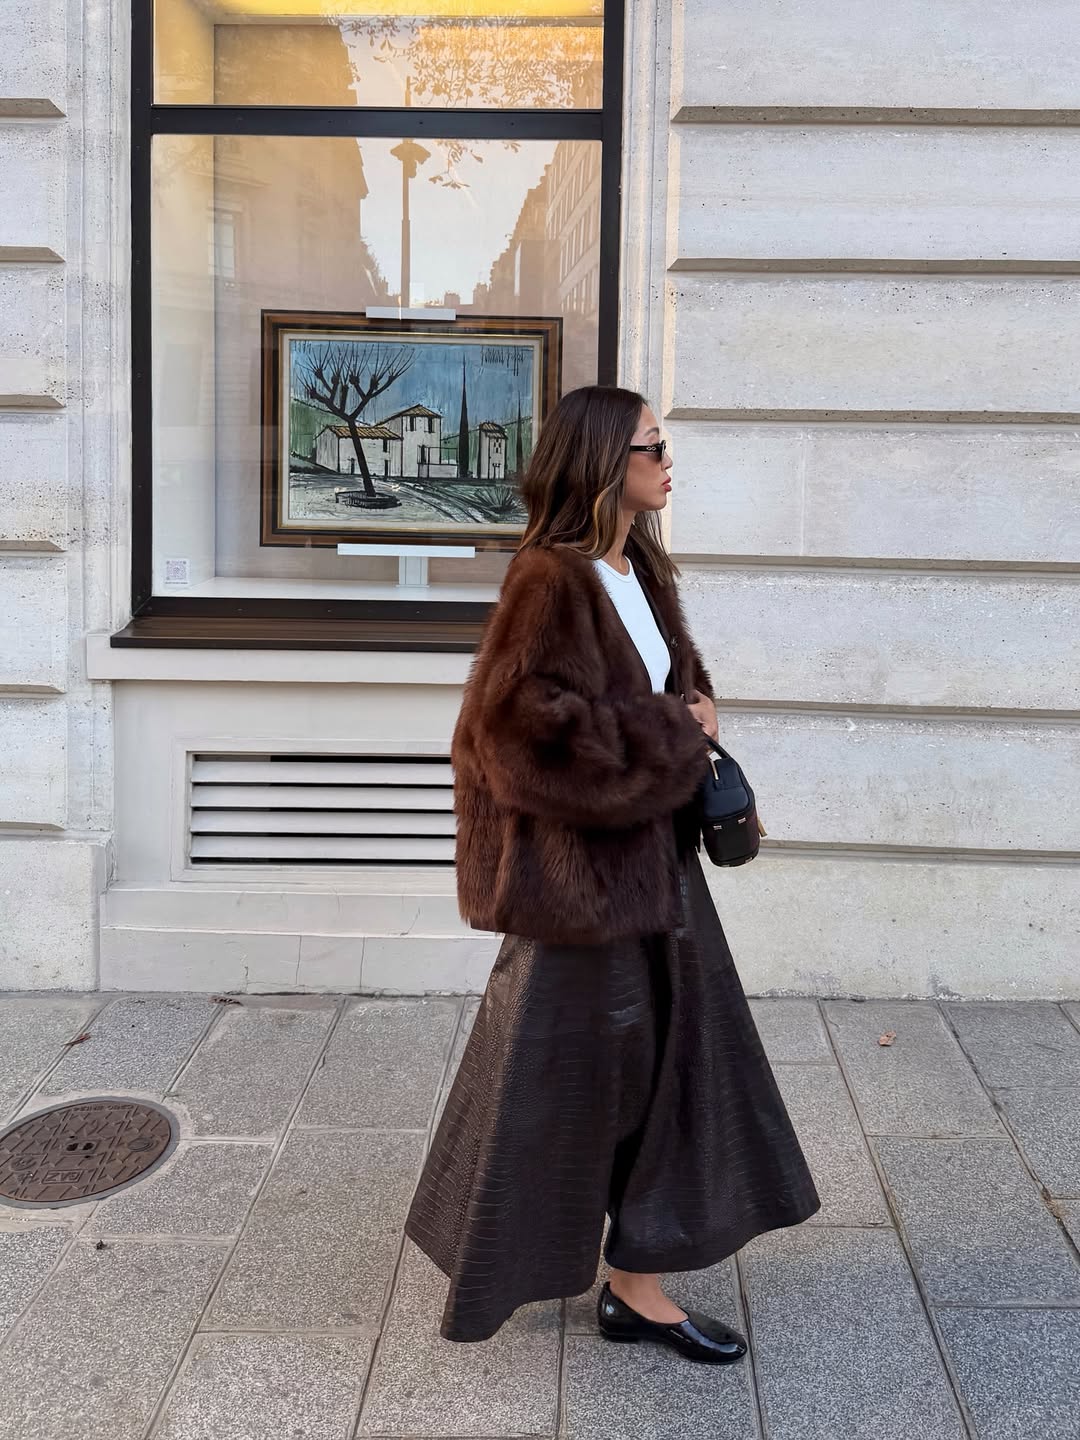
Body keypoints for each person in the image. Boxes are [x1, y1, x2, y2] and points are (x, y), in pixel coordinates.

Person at [404, 385, 821, 1359]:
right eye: (651, 447)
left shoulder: (635, 565)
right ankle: (507, 1269)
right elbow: (513, 735)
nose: (668, 460)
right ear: (603, 463)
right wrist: (669, 733)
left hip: (657, 868)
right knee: (556, 1080)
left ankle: (637, 1282)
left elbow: (659, 691)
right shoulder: (549, 579)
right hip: (581, 889)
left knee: (679, 1066)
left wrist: (690, 712)